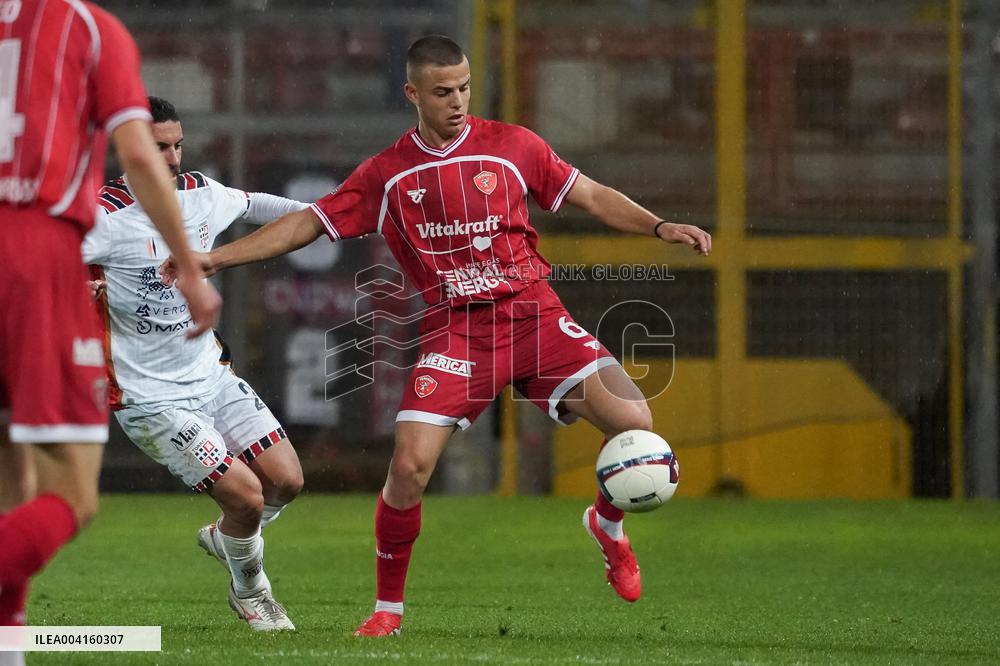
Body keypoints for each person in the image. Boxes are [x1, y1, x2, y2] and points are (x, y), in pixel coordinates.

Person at [162, 35, 712, 637]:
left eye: (464, 88)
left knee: (638, 425)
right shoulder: (387, 174)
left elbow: (590, 194)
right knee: (408, 468)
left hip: (534, 316)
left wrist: (659, 225)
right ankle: (387, 614)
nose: (457, 101)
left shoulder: (514, 146)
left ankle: (607, 527)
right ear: (413, 93)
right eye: (443, 91)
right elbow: (305, 225)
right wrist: (217, 260)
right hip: (458, 333)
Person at [0, 0, 220, 644]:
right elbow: (140, 157)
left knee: (12, 485)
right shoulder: (87, 28)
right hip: (33, 249)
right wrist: (189, 263)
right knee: (70, 495)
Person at [83, 96, 306, 631]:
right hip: (149, 399)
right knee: (247, 498)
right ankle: (252, 593)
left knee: (286, 481)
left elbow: (260, 207)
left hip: (212, 377)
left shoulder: (201, 196)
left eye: (178, 144)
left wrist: (330, 214)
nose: (174, 157)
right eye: (160, 147)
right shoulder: (100, 220)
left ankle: (225, 537)